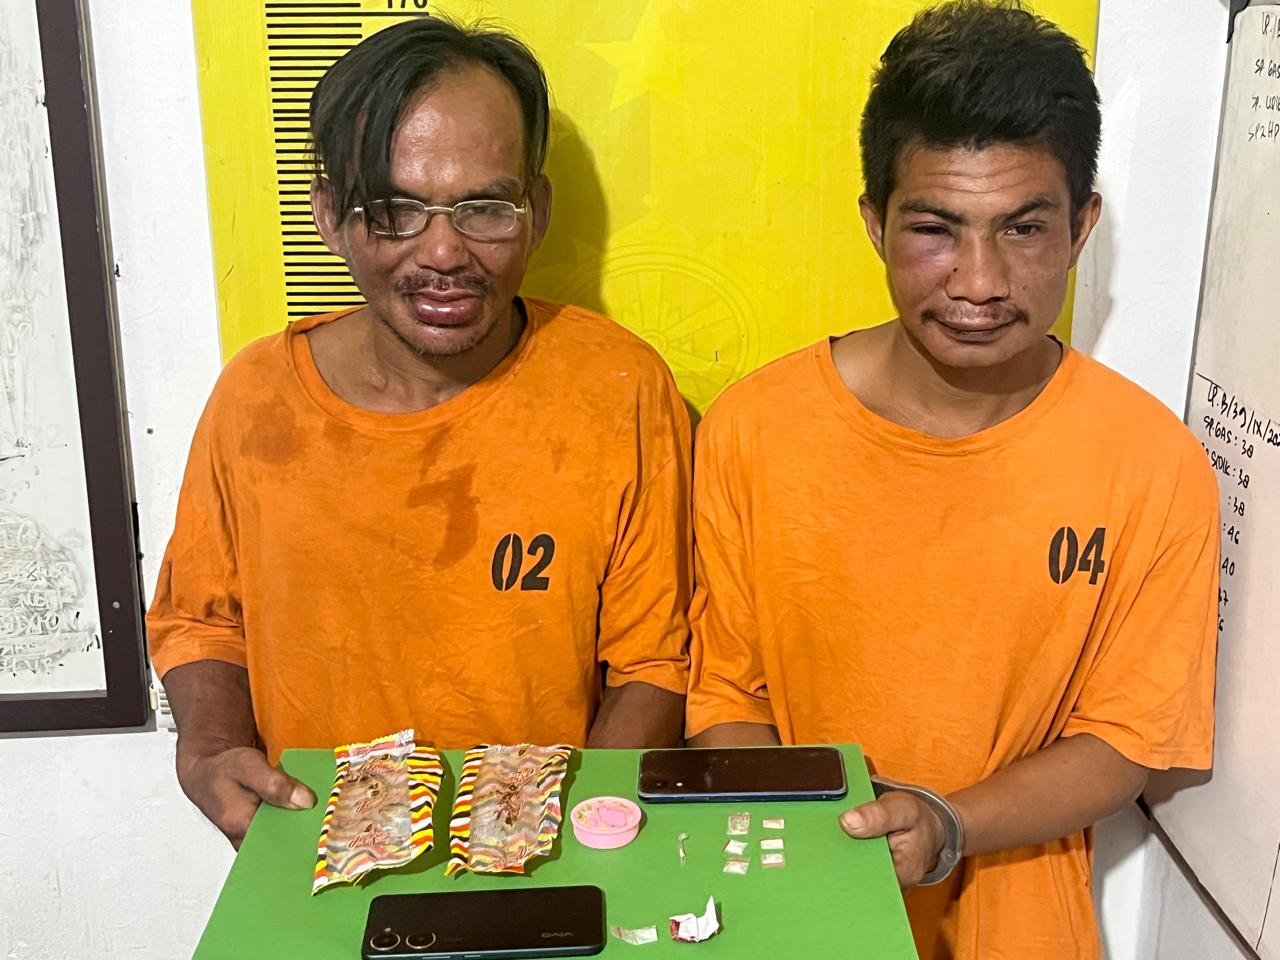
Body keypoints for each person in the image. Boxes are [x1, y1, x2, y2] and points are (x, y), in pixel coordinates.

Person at [684, 2, 1218, 957]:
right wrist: (824, 840)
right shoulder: (754, 429)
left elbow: (1127, 741)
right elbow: (725, 694)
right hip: (790, 912)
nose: (978, 282)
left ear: (1082, 227)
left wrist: (947, 822)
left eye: (1023, 229)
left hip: (1021, 927)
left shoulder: (1151, 462)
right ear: (875, 224)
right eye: (936, 229)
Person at [148, 17, 691, 847]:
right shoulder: (256, 401)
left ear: (537, 212)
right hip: (315, 855)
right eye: (395, 209)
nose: (443, 253)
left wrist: (573, 843)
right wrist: (211, 747)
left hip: (551, 868)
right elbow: (201, 619)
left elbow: (655, 659)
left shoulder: (619, 390)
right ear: (329, 215)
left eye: (484, 208)